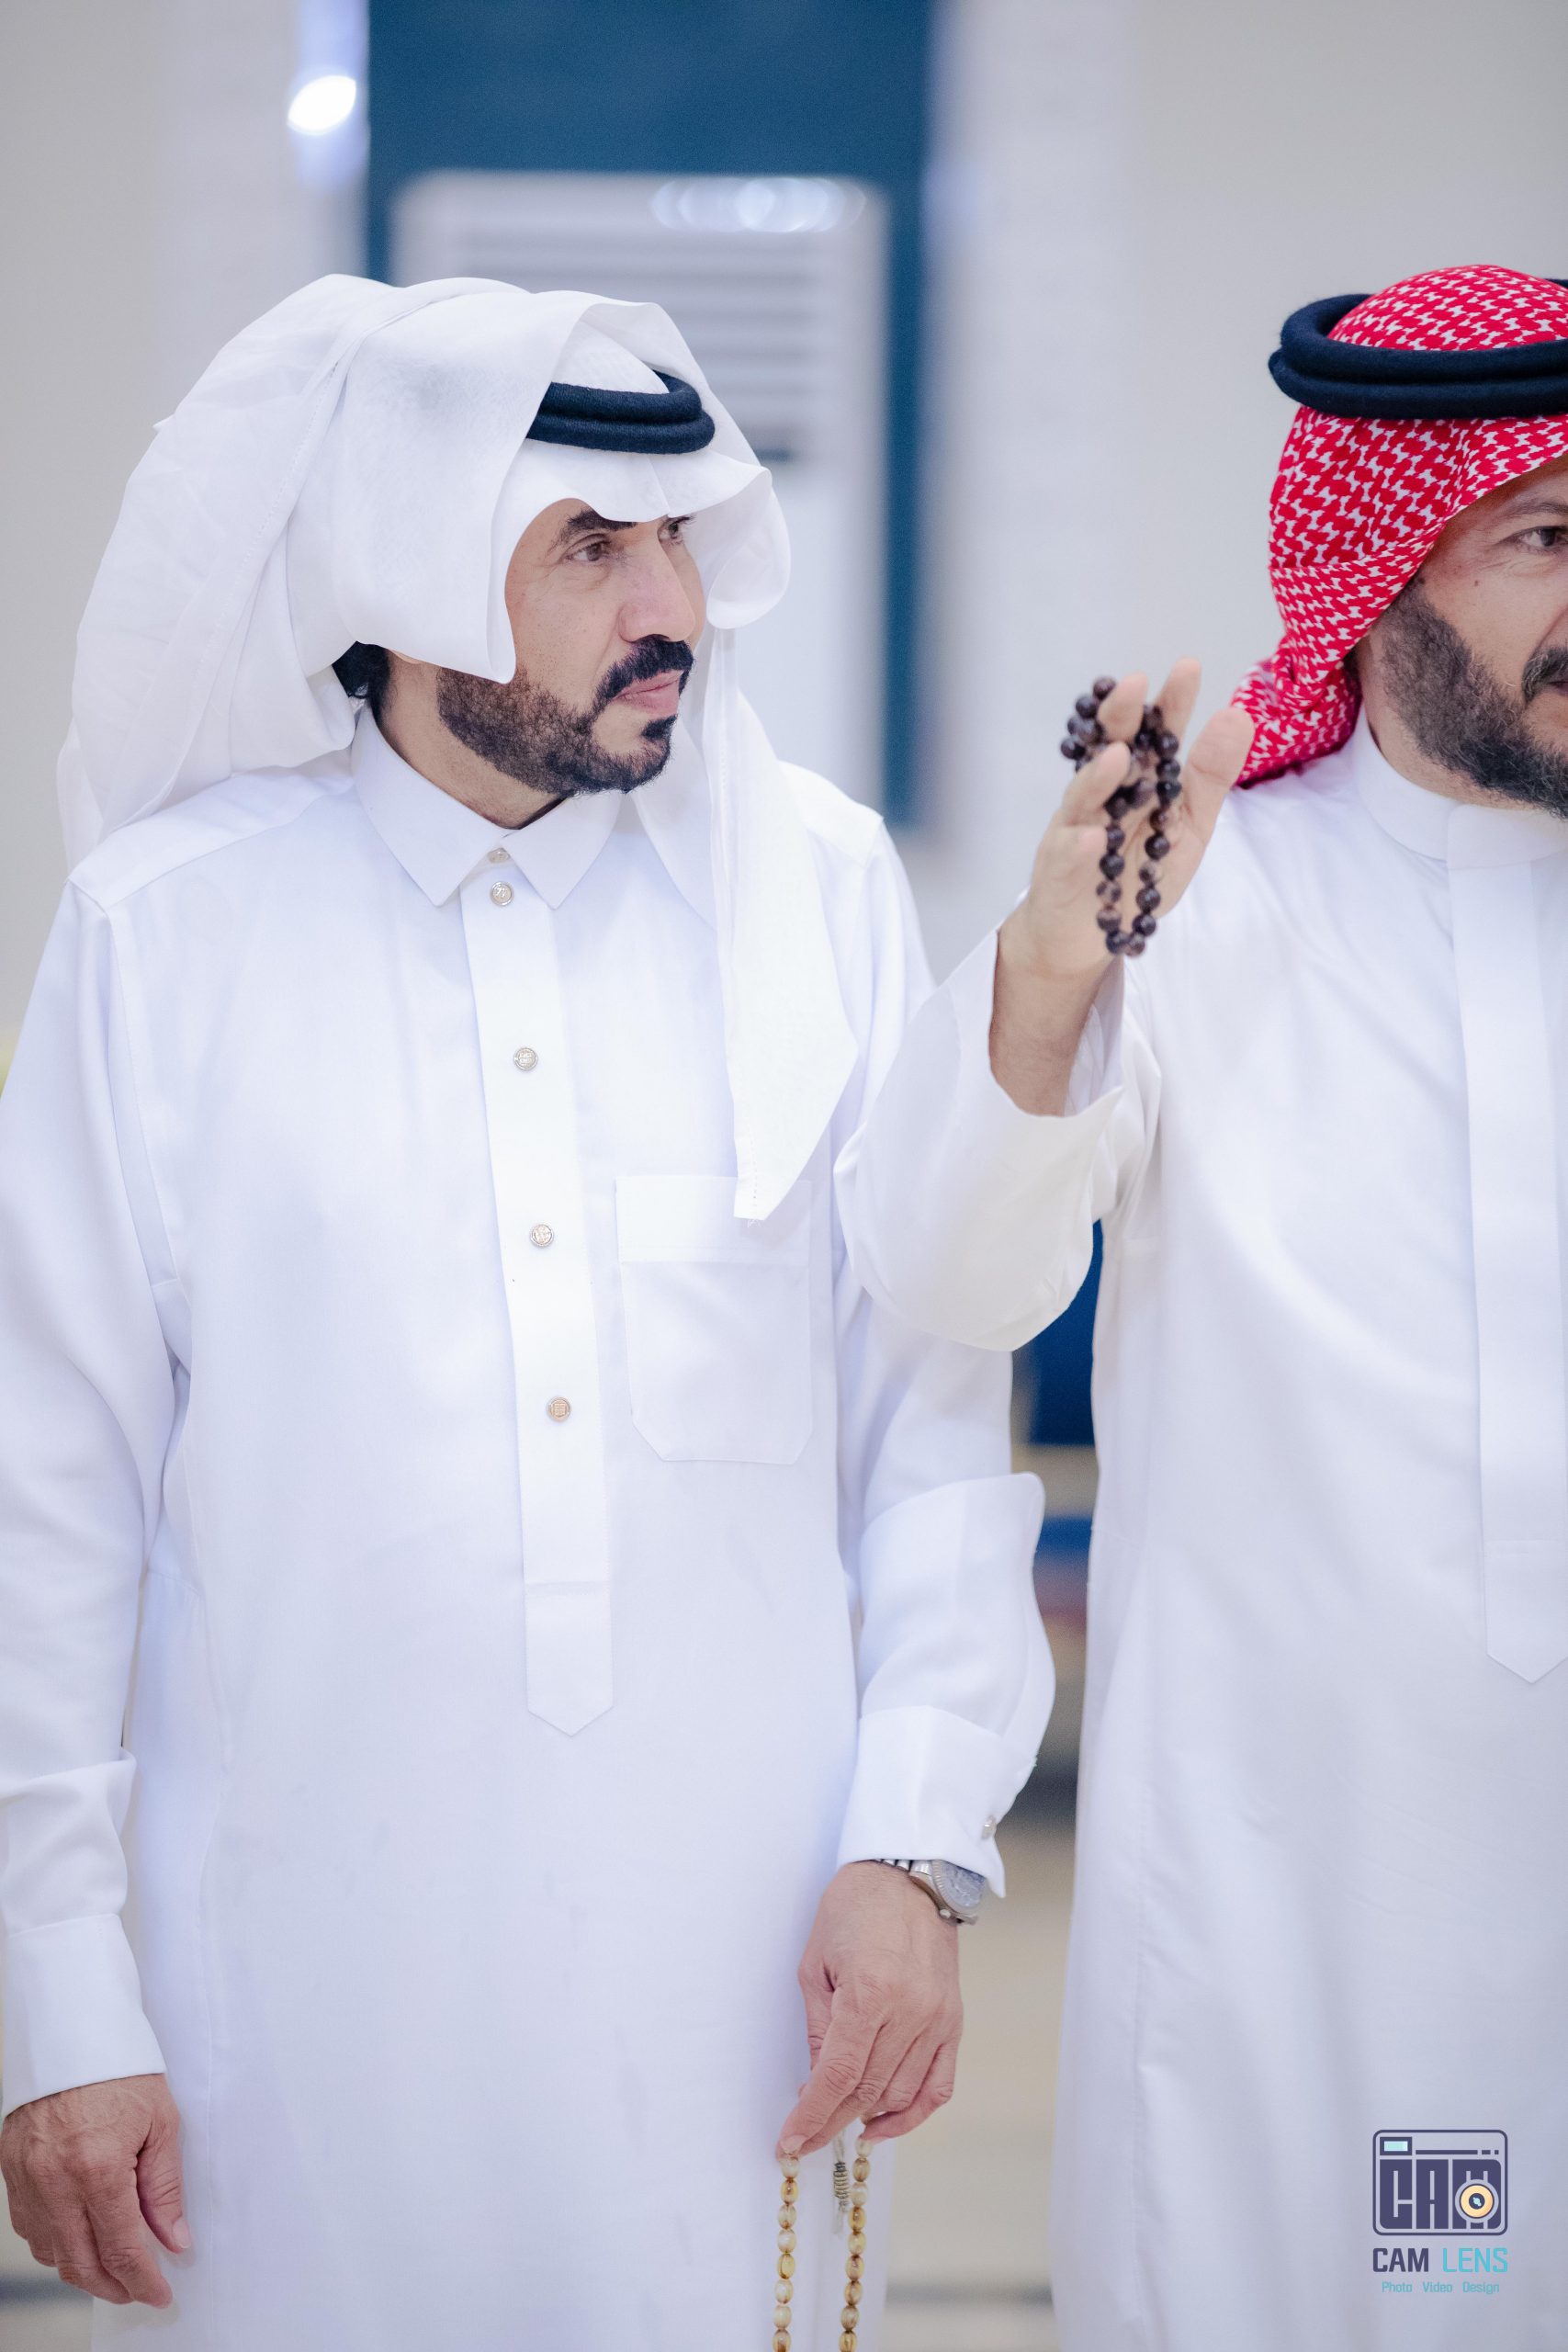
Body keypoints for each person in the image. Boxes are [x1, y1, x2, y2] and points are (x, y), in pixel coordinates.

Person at [0, 276, 1053, 2350]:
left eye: (681, 536)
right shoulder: (164, 935)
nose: (670, 605)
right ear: (405, 569)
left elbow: (926, 1423)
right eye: (589, 546)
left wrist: (917, 1844)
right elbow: (50, 1507)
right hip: (279, 2020)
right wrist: (56, 1989)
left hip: (744, 1994)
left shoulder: (811, 889)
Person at [837, 263, 1568, 2347]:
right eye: (1543, 537)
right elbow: (946, 1271)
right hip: (1278, 1917)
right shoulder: (1194, 899)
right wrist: (1051, 979)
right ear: (1381, 565)